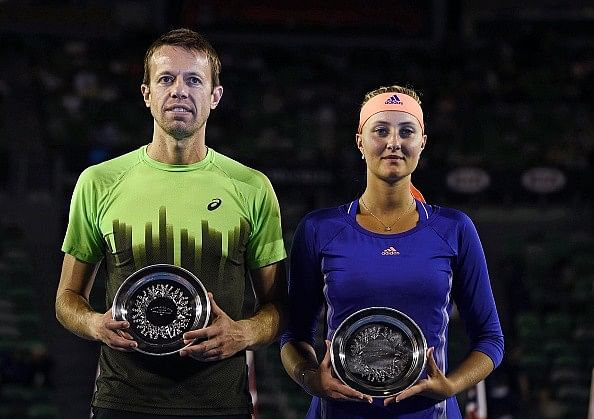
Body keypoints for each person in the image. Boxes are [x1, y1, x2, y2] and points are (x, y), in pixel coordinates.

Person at [55, 28, 287, 419]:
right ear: (147, 94)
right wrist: (95, 323)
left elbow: (278, 307)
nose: (179, 90)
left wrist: (243, 334)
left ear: (215, 96)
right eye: (166, 79)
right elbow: (66, 300)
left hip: (221, 406)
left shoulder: (252, 187)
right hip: (122, 403)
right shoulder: (99, 182)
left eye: (194, 80)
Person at [280, 85, 504, 418]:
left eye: (406, 131)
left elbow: (490, 339)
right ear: (360, 140)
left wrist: (452, 385)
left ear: (422, 142)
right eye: (380, 130)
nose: (394, 143)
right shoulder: (319, 230)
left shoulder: (454, 229)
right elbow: (293, 335)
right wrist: (311, 378)